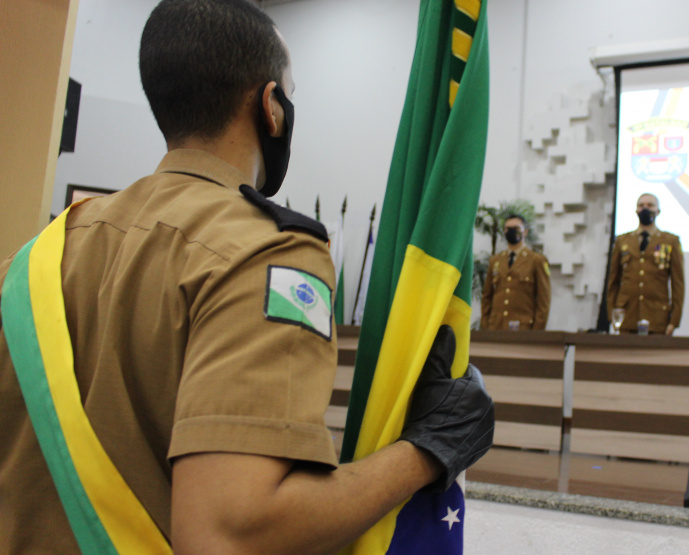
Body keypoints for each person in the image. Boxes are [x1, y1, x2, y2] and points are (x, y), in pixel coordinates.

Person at [0, 1, 494, 553]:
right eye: (290, 91)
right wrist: (427, 450)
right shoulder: (266, 255)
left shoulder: (32, 260)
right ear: (271, 107)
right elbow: (232, 532)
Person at [606, 193, 684, 335]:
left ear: (658, 211)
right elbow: (613, 281)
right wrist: (612, 314)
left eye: (650, 205)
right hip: (626, 316)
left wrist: (674, 320)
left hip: (657, 318)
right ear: (636, 211)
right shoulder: (622, 241)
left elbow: (678, 284)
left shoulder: (671, 241)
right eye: (641, 205)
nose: (645, 208)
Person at [480, 214, 551, 330]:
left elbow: (544, 300)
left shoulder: (537, 260)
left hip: (523, 329)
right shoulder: (495, 260)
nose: (511, 231)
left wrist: (537, 332)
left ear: (525, 232)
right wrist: (485, 325)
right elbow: (487, 297)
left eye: (516, 229)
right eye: (508, 228)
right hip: (495, 328)